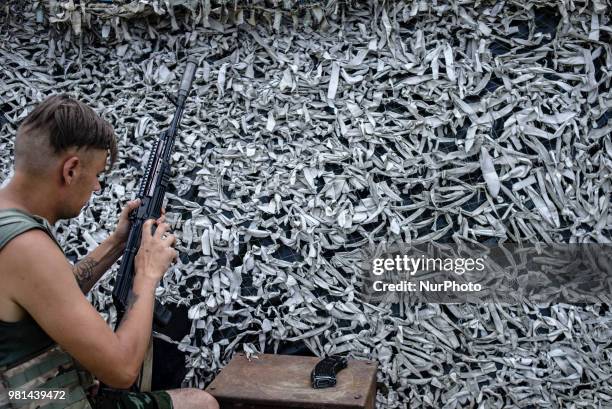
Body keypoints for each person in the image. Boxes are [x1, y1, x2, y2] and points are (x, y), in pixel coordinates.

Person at [0, 94, 219, 409]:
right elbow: (122, 369)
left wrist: (118, 242)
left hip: (19, 395)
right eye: (98, 175)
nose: (97, 188)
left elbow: (52, 292)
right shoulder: (26, 247)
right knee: (201, 403)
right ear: (71, 170)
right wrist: (147, 273)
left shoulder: (10, 225)